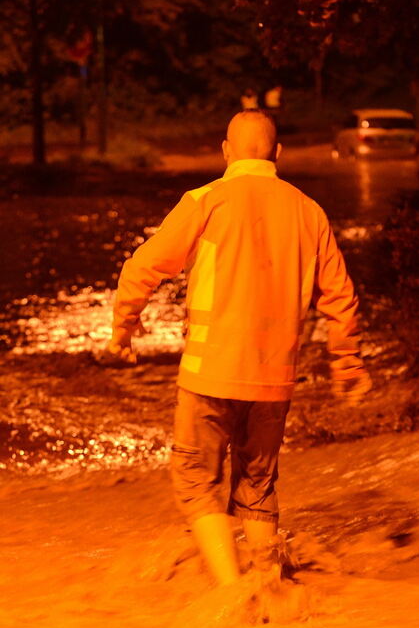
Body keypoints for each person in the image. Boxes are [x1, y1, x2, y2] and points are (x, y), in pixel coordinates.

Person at [106, 109, 370, 592]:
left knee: (194, 479)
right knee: (257, 485)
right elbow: (340, 296)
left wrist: (122, 333)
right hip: (274, 381)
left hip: (210, 373)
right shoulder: (309, 211)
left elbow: (140, 269)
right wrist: (347, 360)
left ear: (226, 152)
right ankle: (268, 588)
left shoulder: (206, 201)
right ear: (278, 153)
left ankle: (232, 595)